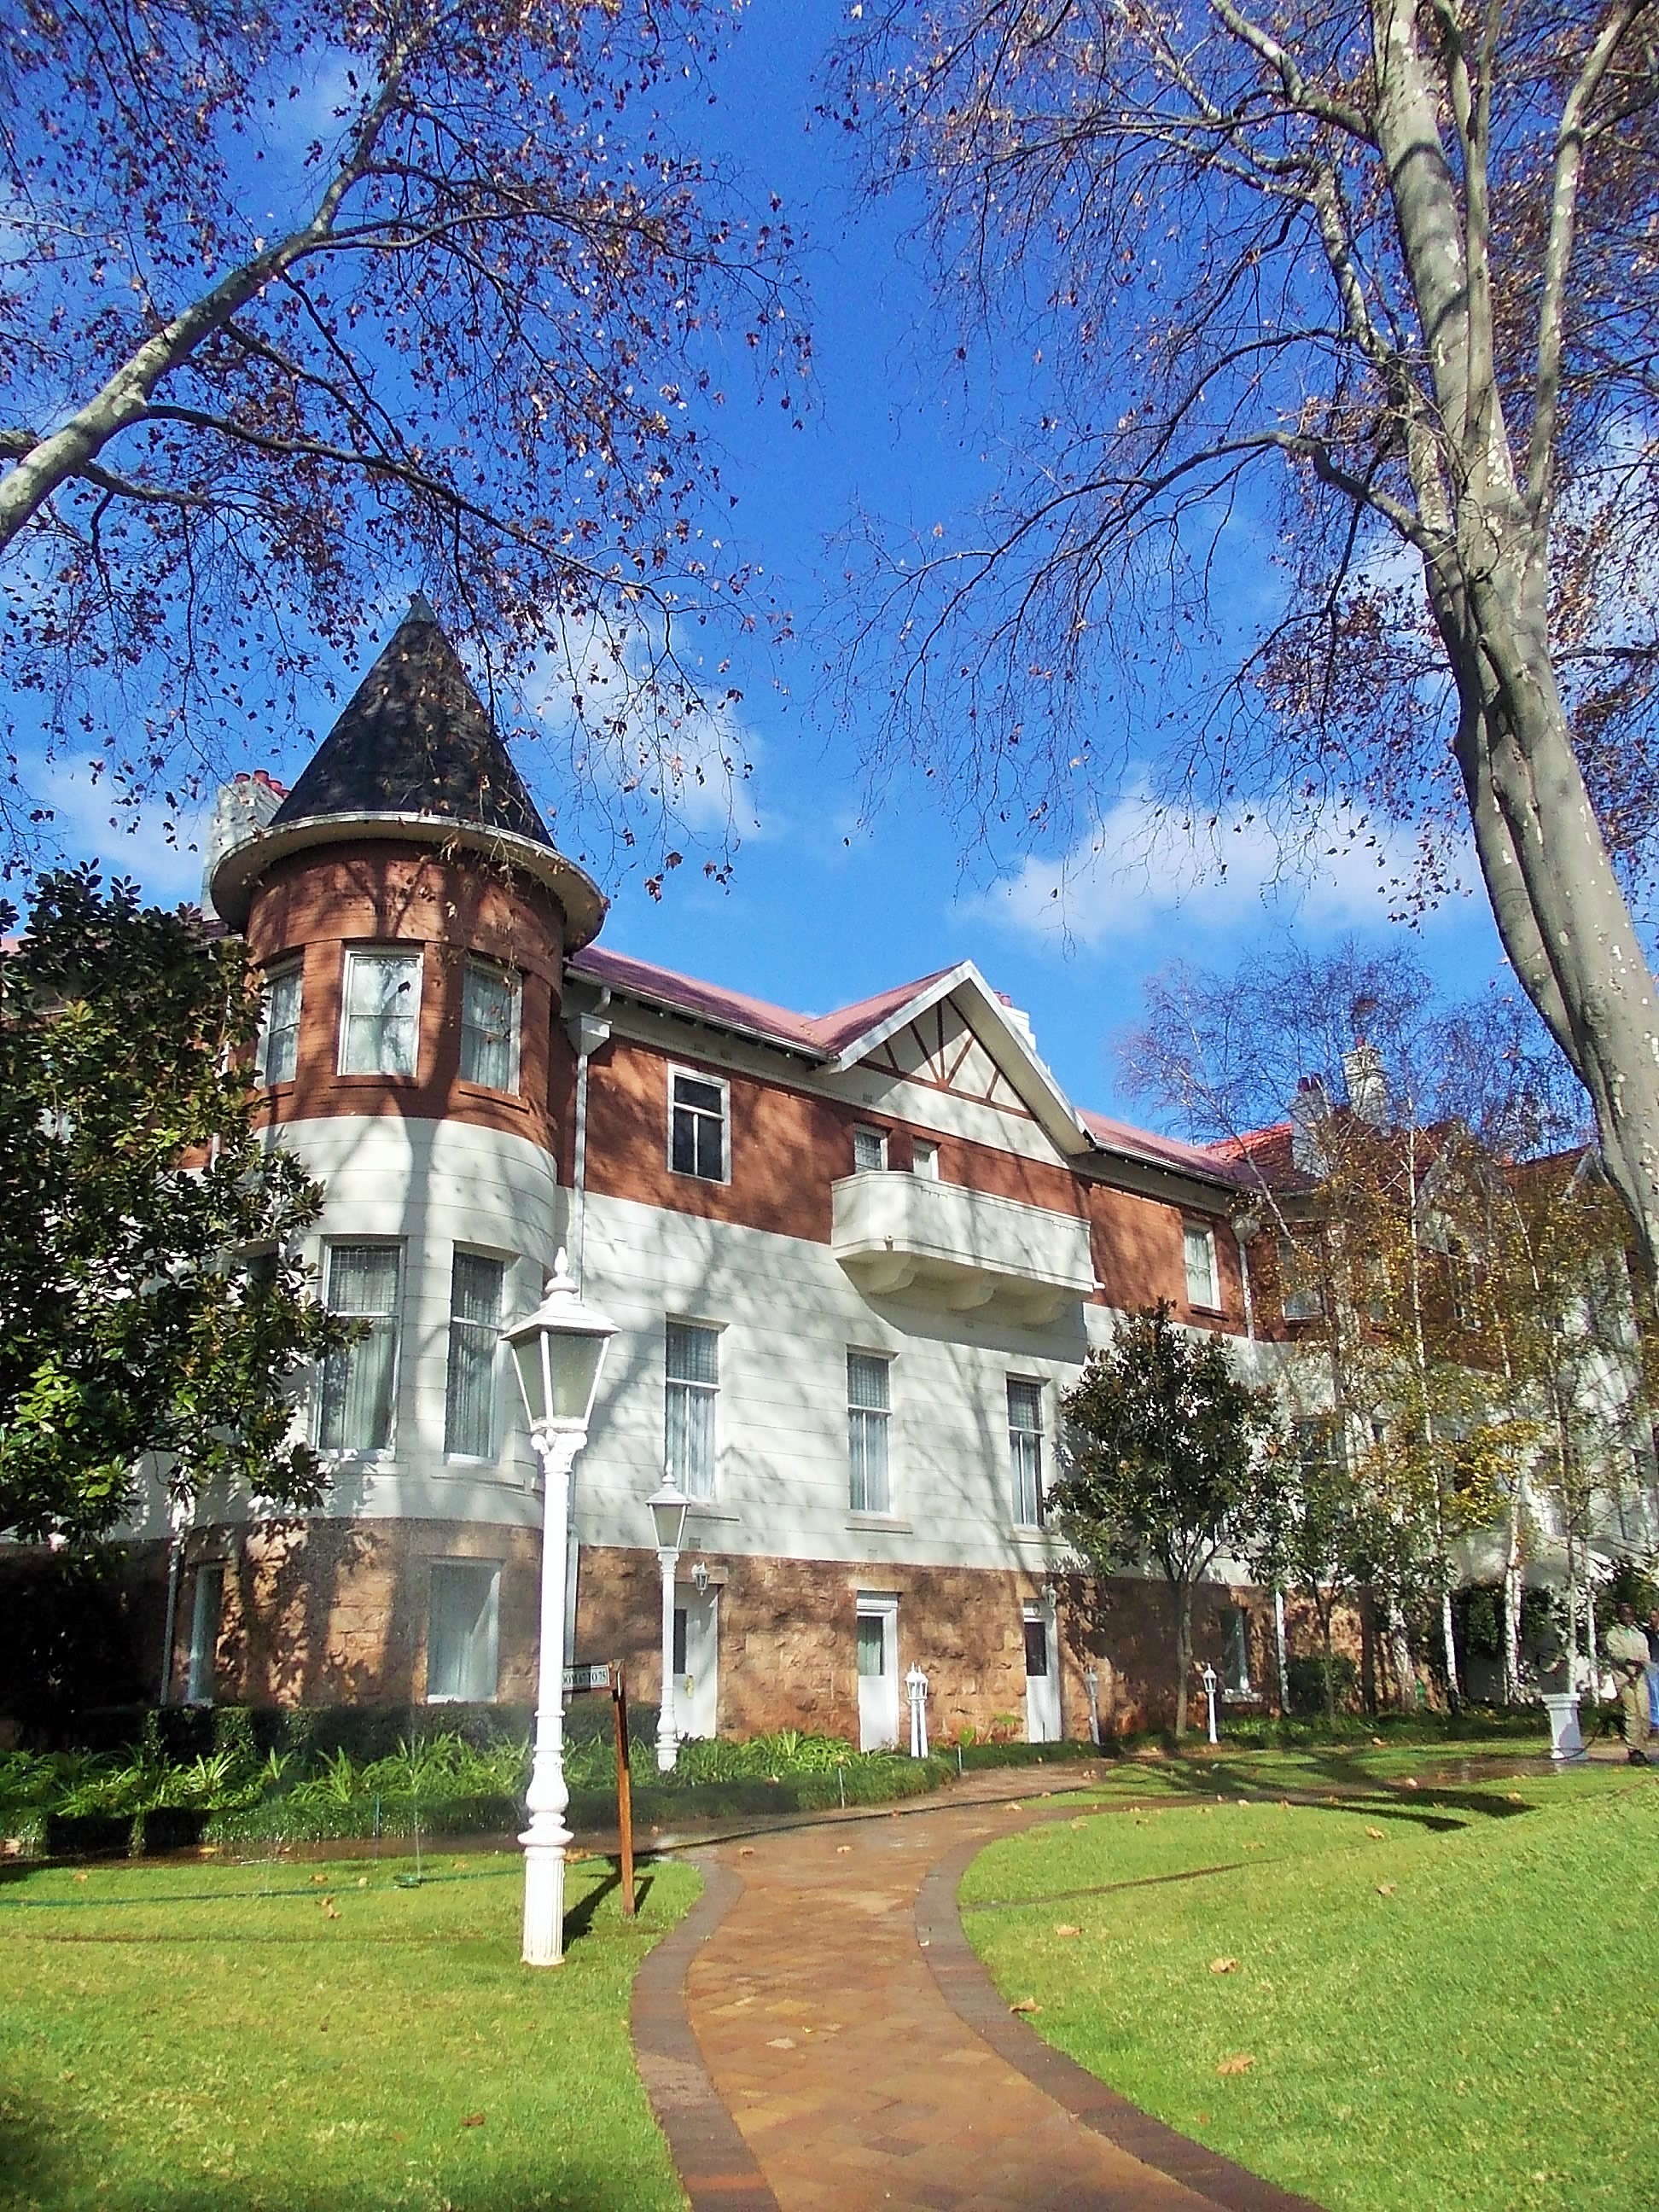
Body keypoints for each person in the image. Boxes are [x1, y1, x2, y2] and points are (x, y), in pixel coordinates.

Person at [1606, 1603, 1651, 1763]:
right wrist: (1631, 1666)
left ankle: (1642, 1748)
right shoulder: (1613, 1635)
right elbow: (1616, 1655)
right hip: (1624, 1679)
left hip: (1640, 1678)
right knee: (1632, 1714)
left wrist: (1640, 1669)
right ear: (1619, 1615)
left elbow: (1645, 1657)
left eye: (1630, 1614)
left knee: (1644, 1713)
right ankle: (1633, 1750)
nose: (1628, 1618)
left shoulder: (1639, 1635)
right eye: (1624, 1614)